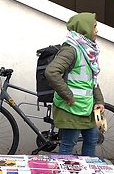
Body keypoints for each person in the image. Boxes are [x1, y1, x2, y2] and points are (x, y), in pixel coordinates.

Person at [45, 12, 105, 156]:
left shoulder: (88, 50)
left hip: (86, 107)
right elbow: (51, 72)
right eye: (94, 27)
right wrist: (68, 96)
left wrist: (99, 100)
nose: (97, 31)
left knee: (92, 140)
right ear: (85, 28)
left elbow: (91, 79)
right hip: (71, 108)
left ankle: (87, 173)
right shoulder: (71, 50)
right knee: (68, 144)